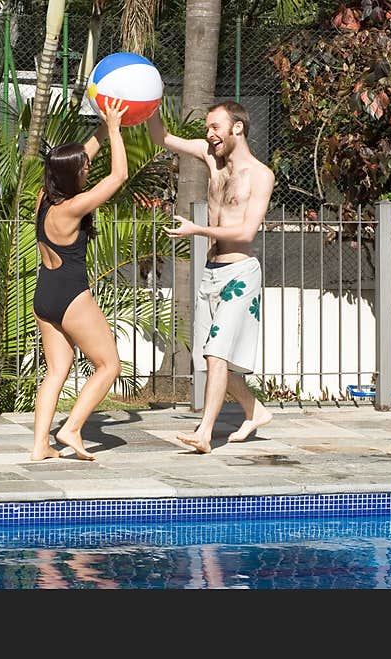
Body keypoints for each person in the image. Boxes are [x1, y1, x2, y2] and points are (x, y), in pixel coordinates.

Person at [147, 100, 274, 453]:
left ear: (237, 127)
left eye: (215, 127)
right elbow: (161, 137)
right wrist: (149, 99)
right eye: (207, 128)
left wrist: (196, 230)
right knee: (209, 357)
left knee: (217, 355)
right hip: (211, 273)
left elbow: (247, 233)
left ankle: (205, 433)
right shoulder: (209, 158)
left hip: (239, 275)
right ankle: (254, 410)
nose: (209, 134)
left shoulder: (261, 175)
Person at [30, 97, 129, 462]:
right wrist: (117, 132)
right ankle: (71, 429)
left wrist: (104, 126)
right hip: (72, 295)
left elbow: (74, 158)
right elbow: (118, 176)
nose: (88, 170)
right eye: (84, 169)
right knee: (109, 366)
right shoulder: (73, 208)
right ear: (74, 176)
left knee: (57, 370)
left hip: (44, 296)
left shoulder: (45, 198)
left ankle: (40, 445)